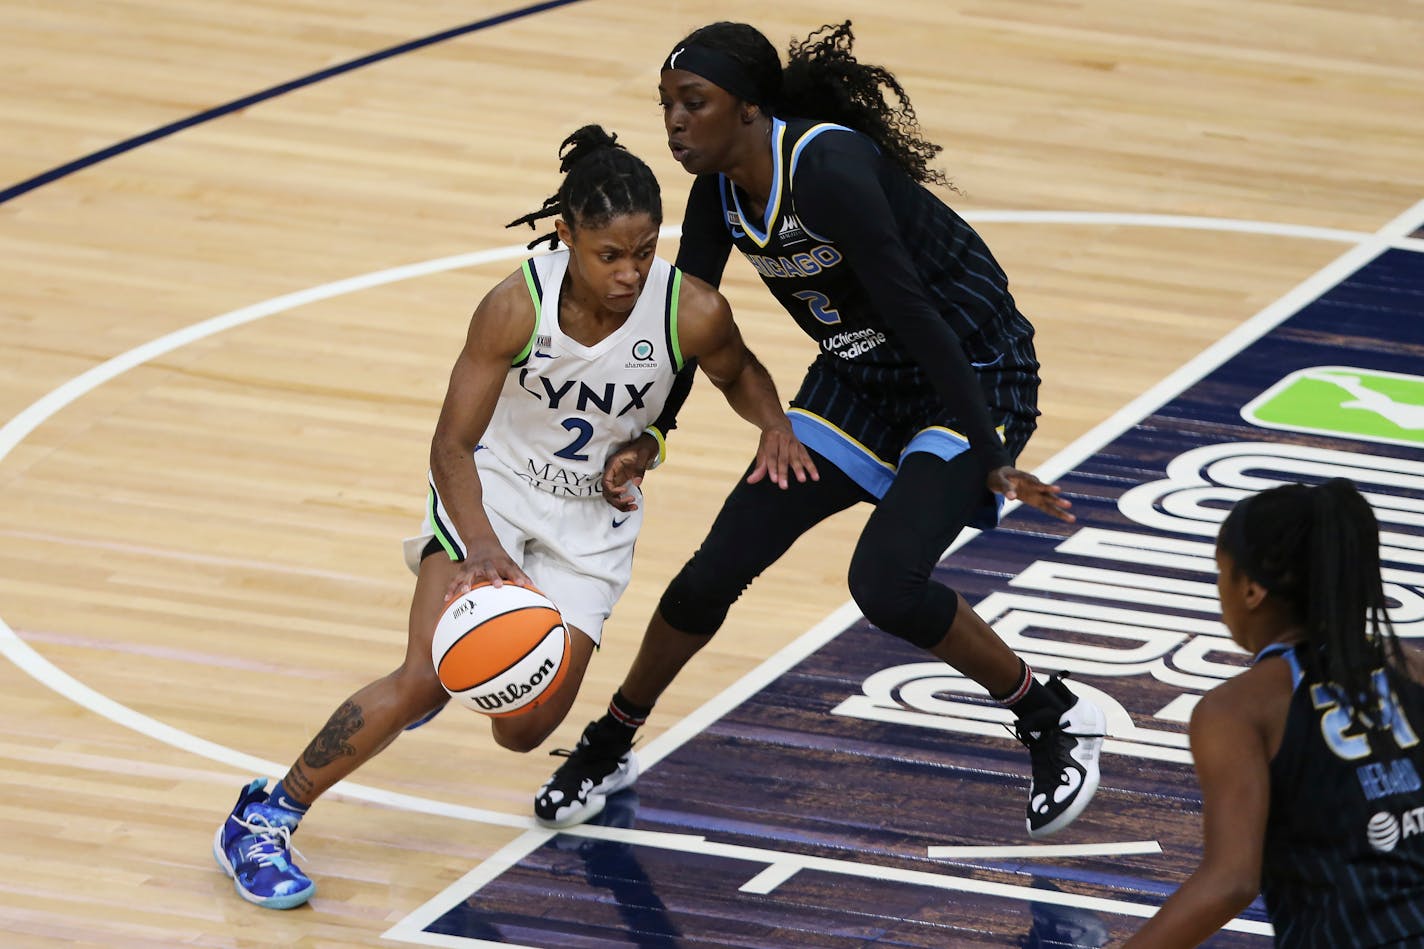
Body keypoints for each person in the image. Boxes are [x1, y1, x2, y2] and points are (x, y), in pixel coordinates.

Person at [212, 125, 815, 910]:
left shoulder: (690, 309)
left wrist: (771, 422)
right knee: (424, 681)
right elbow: (452, 444)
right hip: (492, 490)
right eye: (610, 255)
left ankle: (468, 663)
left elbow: (739, 373)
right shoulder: (513, 306)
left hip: (592, 520)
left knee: (522, 729)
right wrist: (481, 551)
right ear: (567, 236)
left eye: (643, 250)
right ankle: (265, 814)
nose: (630, 272)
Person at [533, 20, 1106, 840]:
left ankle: (1051, 714)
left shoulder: (828, 169)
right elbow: (686, 326)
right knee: (710, 573)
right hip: (858, 383)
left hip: (969, 373)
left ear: (751, 108)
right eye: (666, 105)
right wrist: (650, 440)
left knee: (886, 583)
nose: (675, 123)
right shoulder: (717, 197)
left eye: (694, 103)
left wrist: (989, 450)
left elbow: (913, 307)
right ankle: (611, 738)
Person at [1123, 479, 1424, 947]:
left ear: (1250, 590)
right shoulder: (1411, 666)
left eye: (1221, 572)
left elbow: (1231, 881)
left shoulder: (1239, 709)